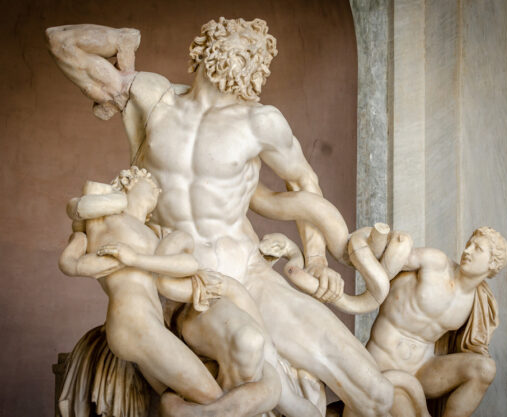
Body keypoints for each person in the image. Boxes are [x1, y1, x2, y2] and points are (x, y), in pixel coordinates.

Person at [47, 17, 393, 416]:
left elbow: (303, 182)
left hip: (250, 273)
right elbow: (62, 43)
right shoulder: (153, 97)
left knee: (375, 392)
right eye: (233, 42)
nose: (244, 53)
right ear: (204, 47)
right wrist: (122, 41)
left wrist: (315, 259)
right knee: (252, 356)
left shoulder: (261, 122)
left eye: (253, 51)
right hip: (191, 286)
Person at [59, 167, 283, 417]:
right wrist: (108, 263)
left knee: (206, 396)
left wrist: (134, 259)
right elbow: (69, 261)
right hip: (133, 321)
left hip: (154, 325)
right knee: (214, 399)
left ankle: (178, 407)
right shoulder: (104, 219)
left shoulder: (153, 234)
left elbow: (188, 264)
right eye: (149, 184)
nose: (157, 190)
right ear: (128, 182)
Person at [366, 227, 507, 417]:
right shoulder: (436, 263)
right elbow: (388, 260)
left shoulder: (478, 301)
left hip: (422, 370)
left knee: (485, 369)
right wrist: (392, 243)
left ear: (492, 263)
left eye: (478, 249)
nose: (467, 251)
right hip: (383, 364)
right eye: (469, 244)